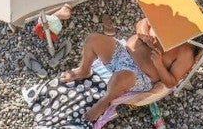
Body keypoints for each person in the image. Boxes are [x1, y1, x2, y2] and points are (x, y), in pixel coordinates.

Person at [60, 17, 193, 124]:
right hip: (122, 51)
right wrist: (143, 34)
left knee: (121, 78)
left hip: (140, 75)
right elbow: (143, 22)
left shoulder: (185, 53)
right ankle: (84, 70)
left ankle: (105, 101)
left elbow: (171, 83)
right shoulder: (162, 19)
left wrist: (159, 65)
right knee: (93, 39)